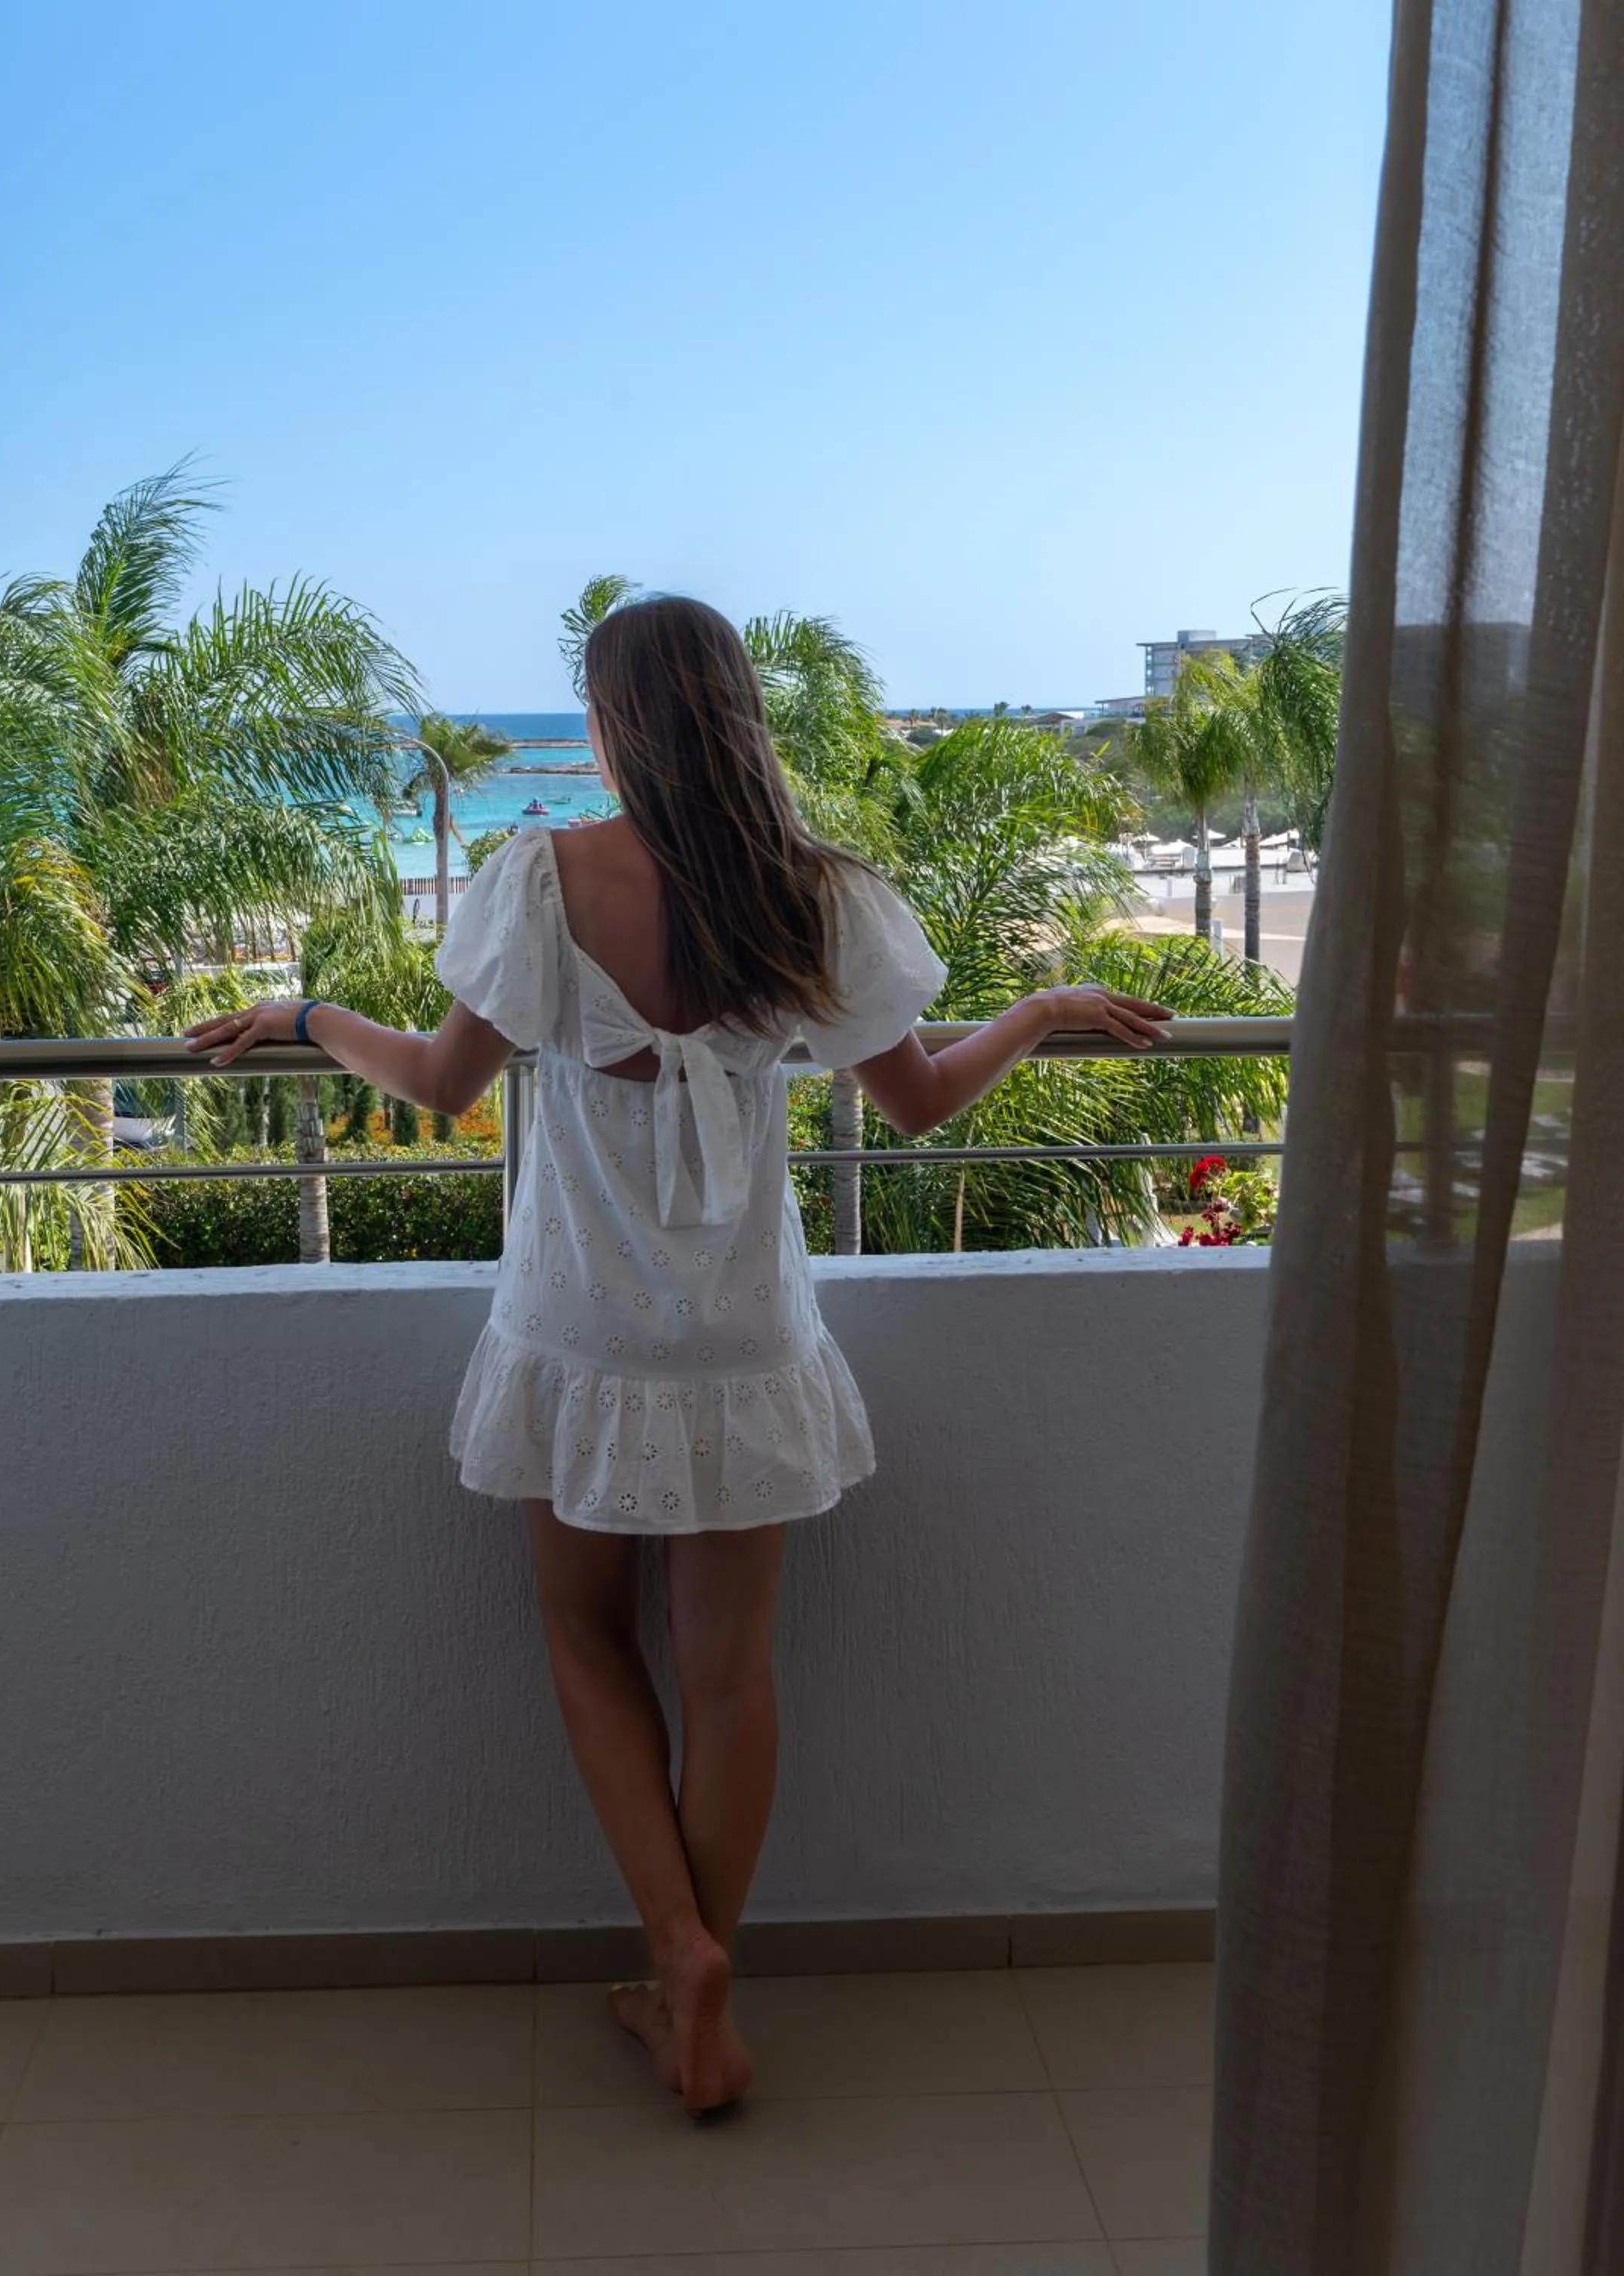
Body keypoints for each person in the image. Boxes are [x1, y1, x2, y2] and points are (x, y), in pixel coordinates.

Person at [187, 596, 1171, 2117]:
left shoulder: (545, 879)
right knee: (729, 1675)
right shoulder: (817, 894)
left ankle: (675, 1954)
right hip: (744, 1335)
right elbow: (916, 1103)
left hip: (580, 1326)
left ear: (609, 725)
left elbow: (448, 1086)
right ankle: (699, 1974)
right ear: (742, 712)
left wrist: (312, 1012)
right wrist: (1038, 1011)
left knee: (588, 1638)